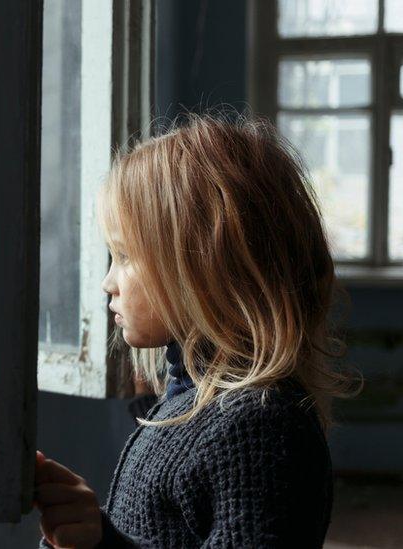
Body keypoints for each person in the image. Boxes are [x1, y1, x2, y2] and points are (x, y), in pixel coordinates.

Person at [33, 112, 360, 548]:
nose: (108, 282)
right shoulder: (190, 406)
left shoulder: (257, 431)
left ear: (201, 268)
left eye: (126, 256)